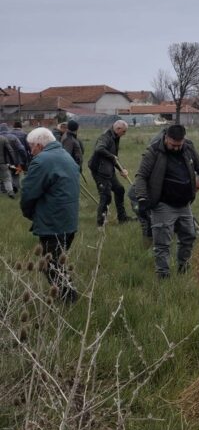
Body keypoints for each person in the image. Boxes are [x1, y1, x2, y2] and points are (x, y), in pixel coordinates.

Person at [133, 124, 199, 279]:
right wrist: (141, 198)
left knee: (189, 236)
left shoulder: (188, 147)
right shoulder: (153, 151)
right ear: (166, 137)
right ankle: (163, 275)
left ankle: (183, 268)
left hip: (184, 203)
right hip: (162, 204)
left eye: (179, 145)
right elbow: (141, 176)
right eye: (173, 145)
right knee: (162, 243)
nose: (176, 148)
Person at [20, 127, 80, 303]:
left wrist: (29, 213)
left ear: (39, 145)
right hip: (69, 221)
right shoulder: (65, 155)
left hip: (53, 222)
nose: (31, 151)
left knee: (50, 265)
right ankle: (68, 297)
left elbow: (28, 194)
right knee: (56, 263)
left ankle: (70, 299)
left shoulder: (42, 161)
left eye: (31, 147)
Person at [88, 120, 132, 226]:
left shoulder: (116, 137)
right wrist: (112, 156)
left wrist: (121, 169)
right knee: (106, 196)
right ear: (118, 129)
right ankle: (101, 223)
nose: (124, 134)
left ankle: (122, 218)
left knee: (119, 189)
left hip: (108, 170)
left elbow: (114, 159)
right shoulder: (105, 137)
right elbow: (99, 149)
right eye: (124, 131)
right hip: (99, 171)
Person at [0, 123, 28, 193]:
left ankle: (4, 190)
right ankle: (15, 188)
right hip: (15, 160)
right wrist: (24, 158)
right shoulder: (13, 137)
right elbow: (21, 148)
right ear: (7, 129)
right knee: (15, 174)